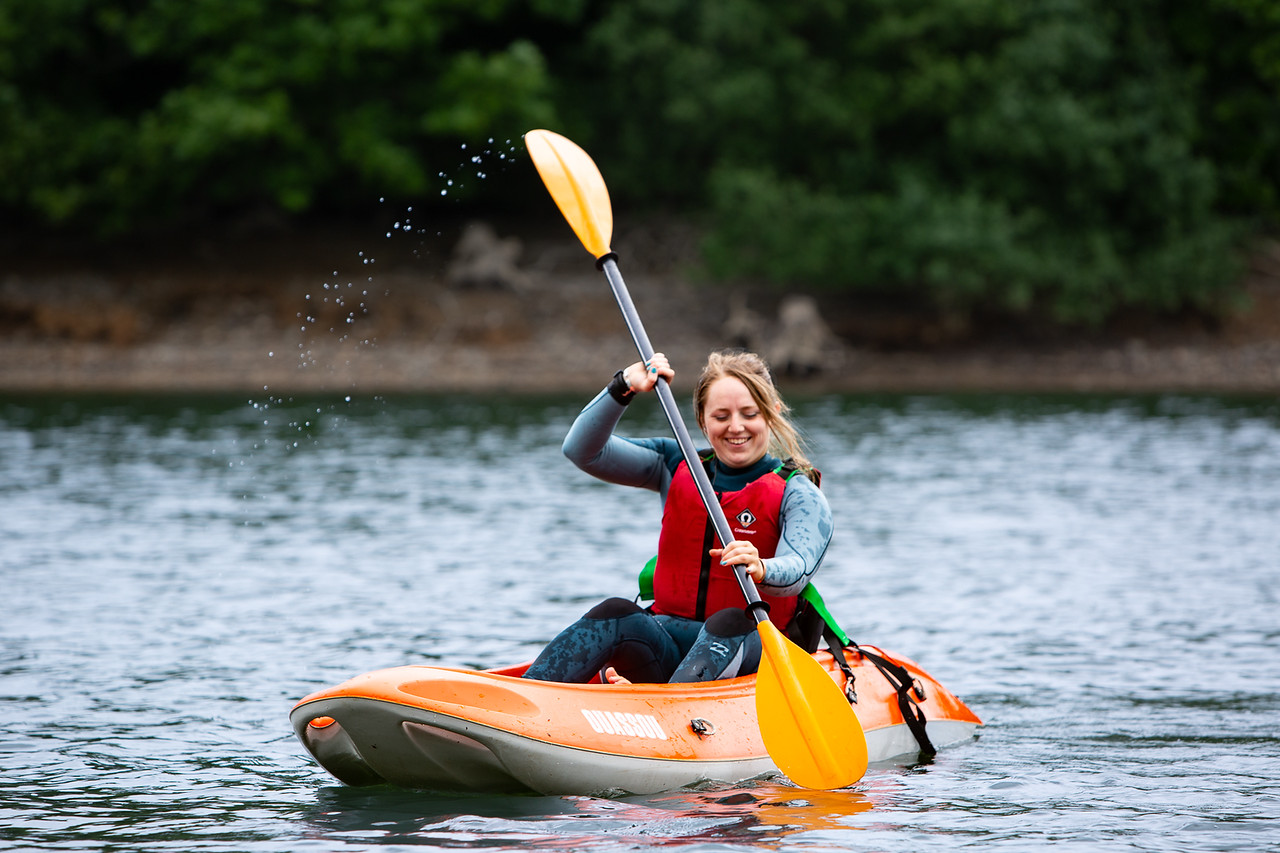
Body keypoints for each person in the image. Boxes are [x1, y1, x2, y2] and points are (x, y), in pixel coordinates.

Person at [522, 349, 833, 685]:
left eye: (749, 413)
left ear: (770, 413)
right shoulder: (674, 463)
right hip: (669, 642)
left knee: (730, 621)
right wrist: (623, 386)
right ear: (702, 420)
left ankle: (663, 708)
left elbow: (799, 568)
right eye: (721, 416)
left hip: (753, 649)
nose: (736, 427)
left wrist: (762, 567)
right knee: (615, 612)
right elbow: (582, 451)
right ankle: (525, 700)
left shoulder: (798, 492)